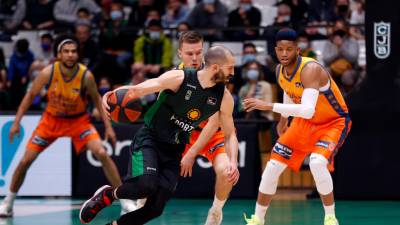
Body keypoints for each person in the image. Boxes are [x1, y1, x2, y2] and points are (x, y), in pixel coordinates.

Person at [79, 46, 240, 225]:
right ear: (216, 67)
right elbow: (139, 89)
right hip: (151, 138)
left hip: (175, 148)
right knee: (145, 186)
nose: (233, 72)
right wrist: (112, 95)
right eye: (230, 67)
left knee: (155, 208)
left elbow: (230, 133)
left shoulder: (224, 98)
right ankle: (107, 195)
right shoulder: (180, 78)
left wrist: (233, 161)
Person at [0, 36, 132, 217]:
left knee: (101, 152)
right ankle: (8, 203)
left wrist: (108, 127)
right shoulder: (48, 73)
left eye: (74, 51)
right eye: (66, 51)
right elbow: (29, 97)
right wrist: (16, 123)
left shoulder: (86, 75)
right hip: (51, 121)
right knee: (25, 161)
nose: (70, 55)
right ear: (59, 54)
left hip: (78, 122)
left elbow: (97, 101)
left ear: (78, 54)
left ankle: (125, 202)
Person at [243, 28, 351, 225]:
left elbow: (308, 109)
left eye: (289, 49)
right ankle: (257, 219)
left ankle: (330, 217)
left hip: (332, 122)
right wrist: (284, 119)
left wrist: (268, 106)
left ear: (298, 50)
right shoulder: (279, 70)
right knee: (272, 166)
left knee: (317, 162)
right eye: (281, 50)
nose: (284, 54)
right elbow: (289, 91)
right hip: (304, 123)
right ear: (276, 50)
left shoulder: (311, 69)